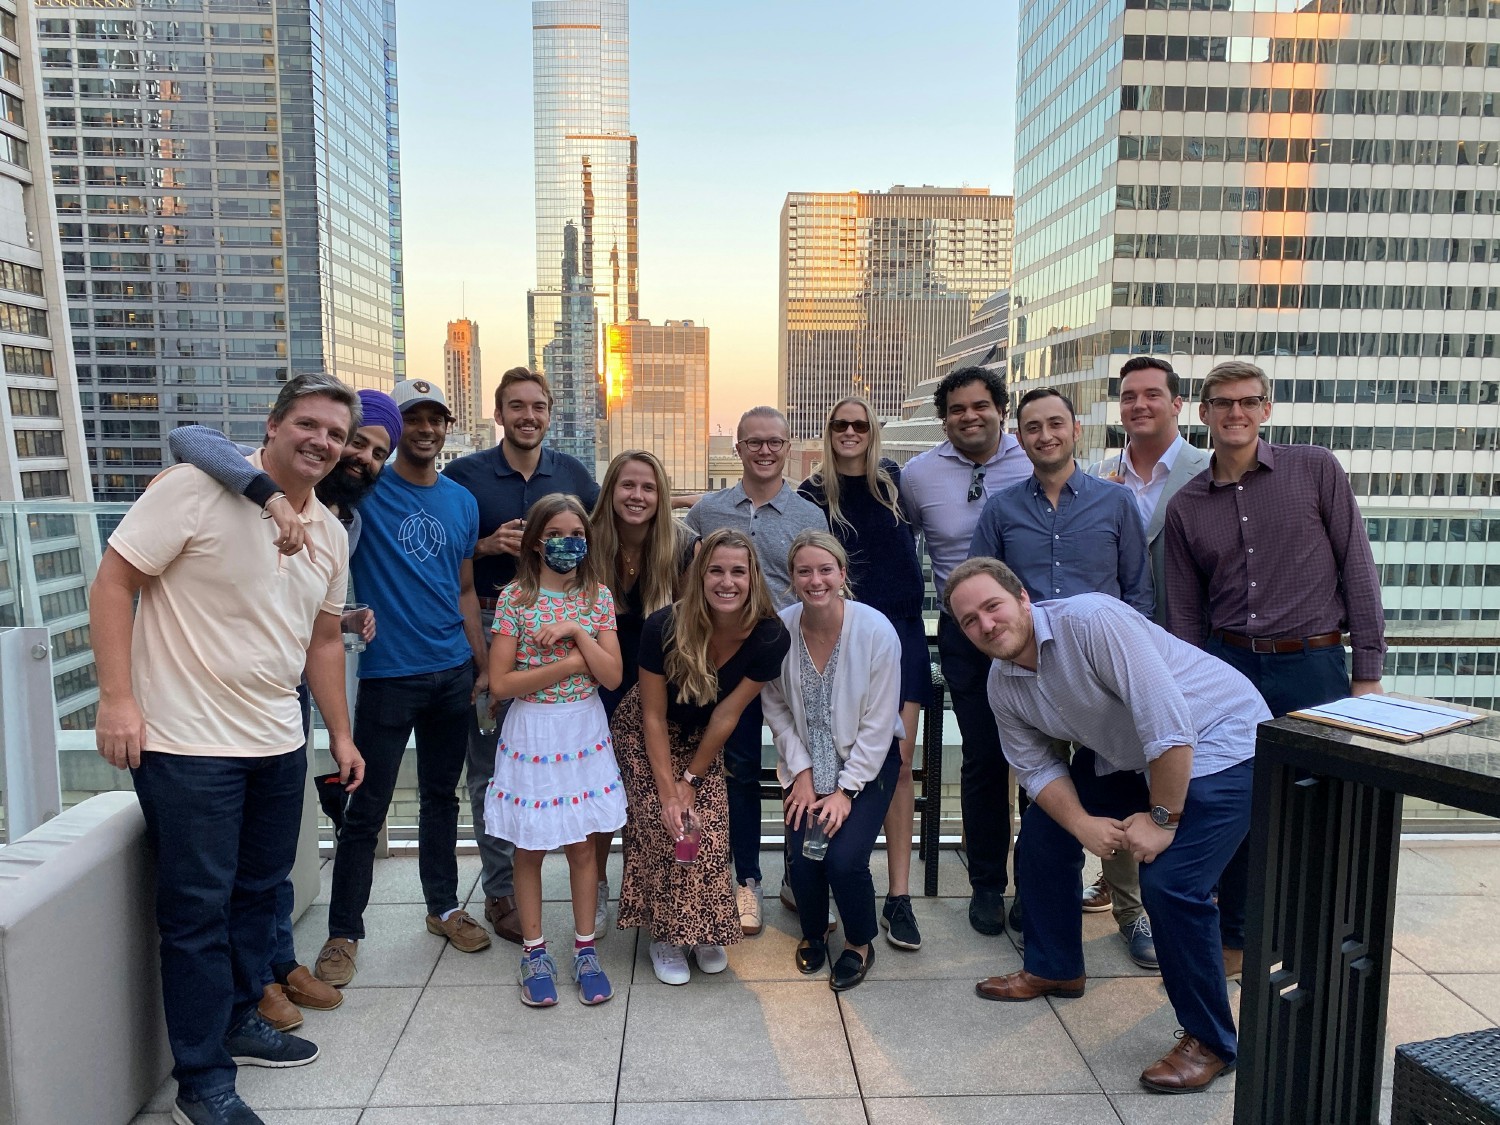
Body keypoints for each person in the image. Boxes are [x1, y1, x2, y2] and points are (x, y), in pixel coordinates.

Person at [89, 373, 365, 1125]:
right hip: (186, 742)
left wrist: (337, 732)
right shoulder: (193, 488)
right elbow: (114, 582)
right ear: (271, 426)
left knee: (257, 895)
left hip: (276, 741)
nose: (321, 441)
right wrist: (116, 698)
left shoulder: (332, 533)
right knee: (197, 914)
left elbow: (321, 640)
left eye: (335, 434)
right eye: (307, 424)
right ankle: (201, 1079)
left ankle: (242, 1017)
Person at [946, 559, 1269, 1095]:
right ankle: (1055, 966)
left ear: (1023, 598)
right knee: (1046, 837)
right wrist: (1081, 825)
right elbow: (1035, 768)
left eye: (992, 606)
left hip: (1222, 741)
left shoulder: (1092, 621)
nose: (985, 624)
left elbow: (1170, 727)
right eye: (969, 621)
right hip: (1133, 755)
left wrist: (1162, 819)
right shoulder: (1003, 684)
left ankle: (1212, 1042)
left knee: (1172, 886)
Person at [165, 389, 401, 1030]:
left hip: (280, 694)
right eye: (357, 441)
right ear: (277, 428)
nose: (358, 456)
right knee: (229, 871)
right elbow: (189, 434)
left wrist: (342, 621)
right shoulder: (240, 483)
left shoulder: (339, 522)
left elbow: (308, 620)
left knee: (271, 852)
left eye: (376, 451)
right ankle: (257, 984)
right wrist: (267, 494)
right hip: (197, 711)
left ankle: (277, 961)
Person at [970, 386, 1156, 967]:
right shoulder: (1000, 510)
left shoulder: (1115, 503)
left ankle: (1131, 911)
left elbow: (1139, 592)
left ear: (1075, 430)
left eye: (1055, 424)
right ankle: (1041, 901)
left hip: (1103, 680)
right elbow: (981, 587)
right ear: (1018, 437)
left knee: (1120, 792)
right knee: (1042, 789)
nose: (1044, 435)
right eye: (1032, 427)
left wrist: (1132, 674)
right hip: (1031, 679)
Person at [316, 379, 493, 988]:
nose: (425, 429)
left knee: (443, 797)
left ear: (446, 427)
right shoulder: (363, 488)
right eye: (413, 419)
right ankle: (344, 932)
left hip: (451, 671)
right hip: (390, 673)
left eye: (435, 419)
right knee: (366, 807)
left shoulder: (461, 501)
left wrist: (480, 663)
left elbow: (466, 590)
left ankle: (442, 906)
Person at [445, 366, 600, 946]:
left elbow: (597, 545)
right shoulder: (464, 477)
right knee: (489, 765)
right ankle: (501, 889)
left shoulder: (576, 474)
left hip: (566, 624)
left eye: (537, 406)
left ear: (549, 413)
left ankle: (586, 878)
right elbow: (450, 562)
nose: (527, 416)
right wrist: (487, 544)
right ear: (499, 412)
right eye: (516, 406)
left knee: (568, 753)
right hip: (488, 619)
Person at [613, 528, 792, 984]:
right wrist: (668, 792)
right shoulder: (664, 626)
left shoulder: (771, 636)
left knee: (706, 828)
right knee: (663, 822)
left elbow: (728, 715)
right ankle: (667, 936)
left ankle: (706, 927)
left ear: (753, 578)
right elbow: (651, 716)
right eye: (715, 570)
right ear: (699, 576)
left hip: (703, 738)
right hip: (644, 731)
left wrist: (689, 781)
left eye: (738, 571)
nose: (726, 581)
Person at [1164, 359, 1386, 717]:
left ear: (1265, 410)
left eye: (1249, 402)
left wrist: (1368, 671)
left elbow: (1357, 567)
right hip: (1227, 668)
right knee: (1233, 771)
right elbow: (1186, 613)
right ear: (1204, 413)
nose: (1236, 412)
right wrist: (1191, 685)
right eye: (1223, 403)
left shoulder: (1315, 468)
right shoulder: (1184, 507)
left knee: (1319, 772)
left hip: (1313, 666)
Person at [898, 366, 1030, 936]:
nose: (969, 417)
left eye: (980, 406)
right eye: (956, 410)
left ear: (1001, 409)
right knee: (982, 758)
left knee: (1044, 761)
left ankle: (1037, 882)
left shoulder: (1034, 458)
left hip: (1034, 634)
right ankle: (985, 886)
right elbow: (899, 551)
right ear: (943, 418)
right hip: (964, 634)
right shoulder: (918, 475)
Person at [683, 407, 824, 935]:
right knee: (738, 771)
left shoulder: (808, 514)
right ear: (737, 448)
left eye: (775, 442)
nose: (765, 451)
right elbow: (687, 579)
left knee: (800, 767)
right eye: (754, 443)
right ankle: (746, 880)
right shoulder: (707, 510)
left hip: (792, 658)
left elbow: (821, 584)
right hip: (729, 659)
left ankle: (800, 875)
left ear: (788, 448)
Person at [797, 396, 928, 952]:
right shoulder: (809, 494)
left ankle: (897, 895)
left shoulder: (898, 485)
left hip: (898, 637)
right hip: (832, 641)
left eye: (860, 423)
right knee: (826, 758)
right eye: (839, 424)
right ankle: (826, 876)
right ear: (827, 432)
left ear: (873, 431)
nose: (850, 431)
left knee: (897, 764)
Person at [1083, 357, 1209, 930]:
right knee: (1122, 769)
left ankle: (1171, 902)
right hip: (1120, 648)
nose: (1138, 405)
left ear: (1177, 404)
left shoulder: (1207, 472)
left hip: (1187, 641)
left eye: (1152, 394)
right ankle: (1124, 892)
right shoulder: (1101, 478)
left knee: (1178, 770)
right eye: (1129, 396)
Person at [485, 494, 626, 1007]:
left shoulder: (597, 598)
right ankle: (534, 950)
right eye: (557, 534)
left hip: (583, 731)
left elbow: (611, 674)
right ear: (537, 540)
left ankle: (585, 948)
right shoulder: (514, 600)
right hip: (533, 734)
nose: (569, 544)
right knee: (529, 847)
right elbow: (501, 683)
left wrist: (576, 633)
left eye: (578, 535)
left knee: (584, 844)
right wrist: (569, 665)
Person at [763, 532, 903, 990]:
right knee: (803, 860)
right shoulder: (780, 631)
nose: (815, 579)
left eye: (825, 569)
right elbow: (776, 707)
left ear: (842, 574)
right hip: (807, 765)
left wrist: (846, 791)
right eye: (804, 571)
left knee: (842, 860)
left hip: (867, 766)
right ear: (792, 578)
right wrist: (801, 773)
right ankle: (813, 930)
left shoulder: (876, 631)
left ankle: (859, 942)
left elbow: (881, 723)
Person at [588, 449, 698, 925]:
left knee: (648, 791)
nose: (637, 496)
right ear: (611, 490)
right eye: (627, 486)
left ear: (662, 495)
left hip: (659, 681)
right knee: (601, 788)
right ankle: (593, 882)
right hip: (594, 679)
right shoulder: (585, 541)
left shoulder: (683, 546)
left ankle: (648, 888)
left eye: (648, 487)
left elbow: (694, 623)